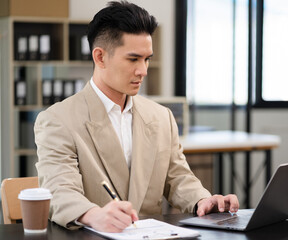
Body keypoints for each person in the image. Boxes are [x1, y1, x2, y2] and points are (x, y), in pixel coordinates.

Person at [34, 0, 239, 233]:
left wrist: (203, 200)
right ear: (100, 57)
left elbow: (179, 178)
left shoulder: (161, 117)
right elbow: (59, 190)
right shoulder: (57, 120)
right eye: (133, 59)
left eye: (147, 58)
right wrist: (92, 215)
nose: (143, 70)